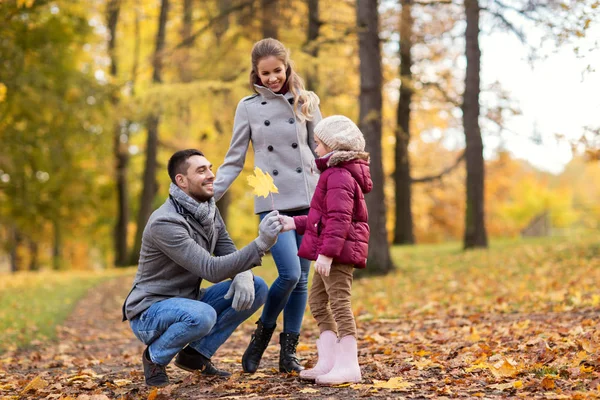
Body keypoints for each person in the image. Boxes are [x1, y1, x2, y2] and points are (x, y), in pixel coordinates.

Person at [122, 149, 283, 387]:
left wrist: (244, 273)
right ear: (181, 181)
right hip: (150, 311)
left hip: (189, 300)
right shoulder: (165, 222)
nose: (211, 175)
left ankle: (195, 355)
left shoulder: (207, 209)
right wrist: (260, 244)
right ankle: (154, 357)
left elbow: (226, 246)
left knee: (257, 287)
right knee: (202, 315)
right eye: (201, 171)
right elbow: (211, 270)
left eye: (210, 168)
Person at [213, 38, 322, 374]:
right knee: (288, 273)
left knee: (302, 279)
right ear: (256, 74)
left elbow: (322, 149)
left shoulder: (307, 101)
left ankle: (288, 352)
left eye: (278, 70)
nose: (273, 77)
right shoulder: (247, 107)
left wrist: (337, 190)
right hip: (272, 197)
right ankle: (262, 335)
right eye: (266, 73)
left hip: (308, 197)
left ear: (287, 67)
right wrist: (207, 195)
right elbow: (233, 160)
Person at [279, 115, 372, 385]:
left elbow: (340, 219)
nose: (315, 148)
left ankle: (348, 364)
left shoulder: (339, 175)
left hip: (338, 253)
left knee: (339, 303)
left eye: (318, 143)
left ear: (334, 148)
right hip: (331, 250)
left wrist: (327, 253)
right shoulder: (332, 173)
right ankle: (330, 360)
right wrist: (292, 222)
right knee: (318, 301)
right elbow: (322, 216)